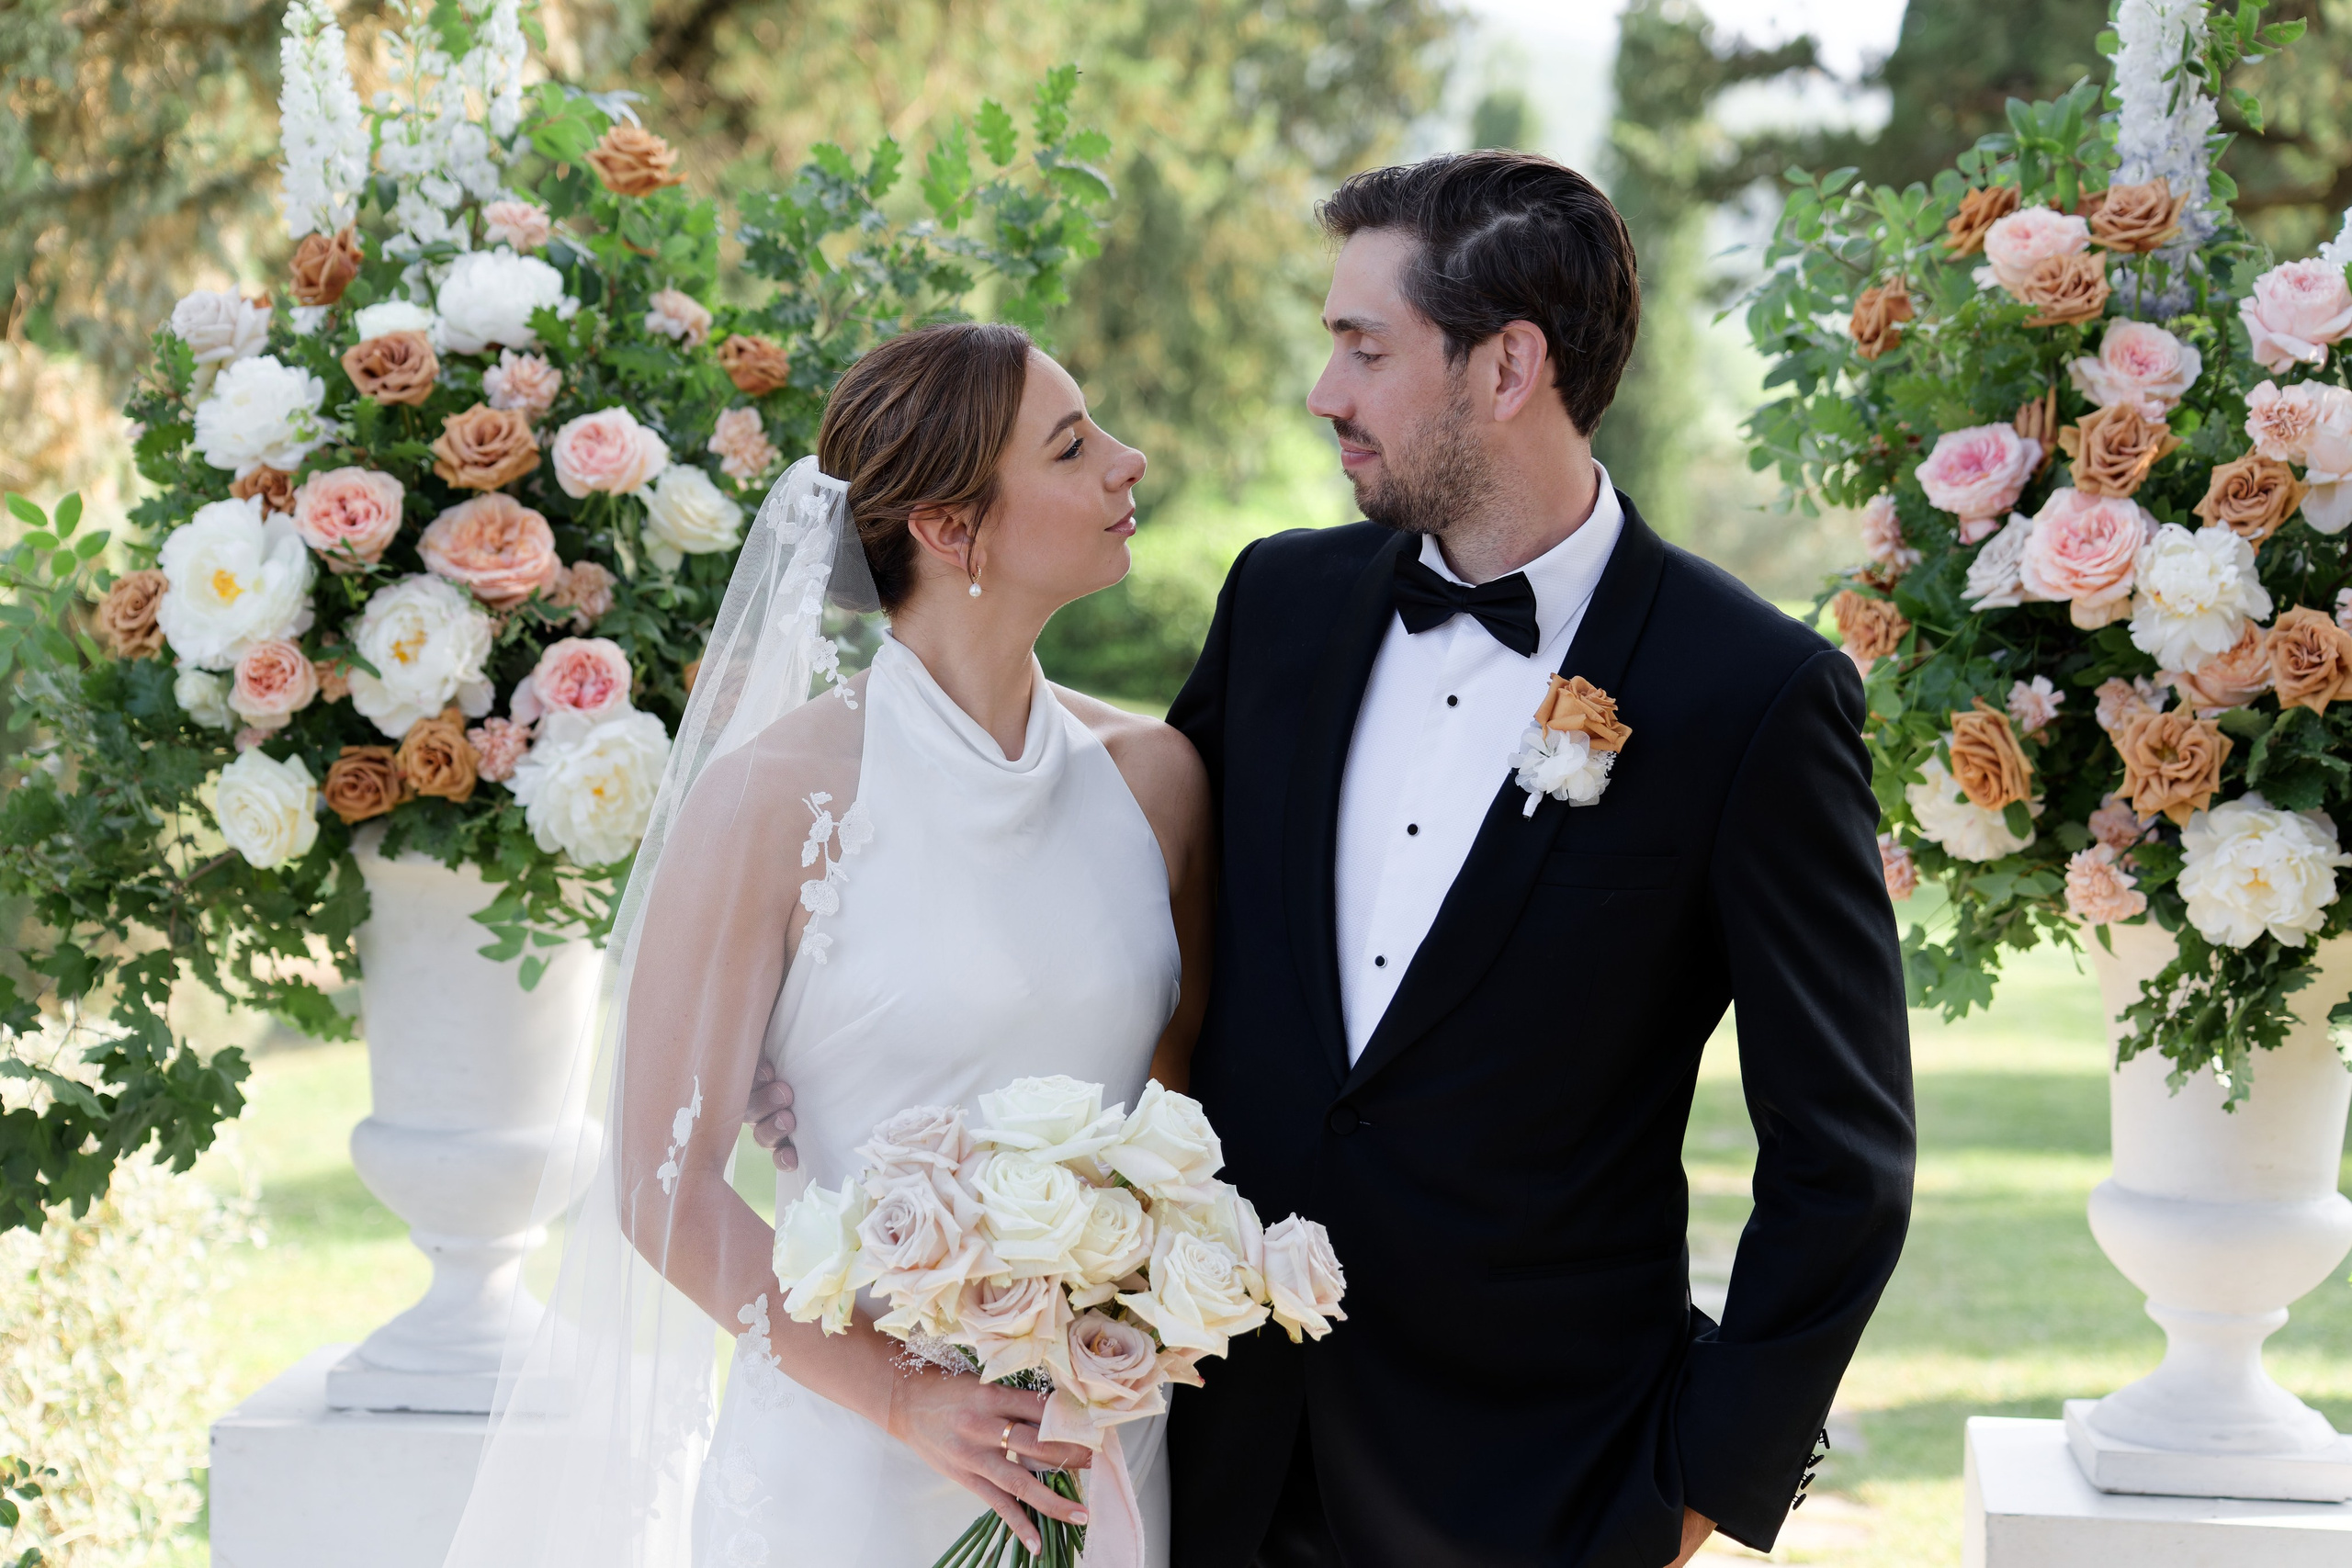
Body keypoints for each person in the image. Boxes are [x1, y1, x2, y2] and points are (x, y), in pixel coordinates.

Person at [1155, 151, 1917, 1567]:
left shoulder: (1748, 694)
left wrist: (1704, 1473)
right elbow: (1151, 927)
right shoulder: (1279, 605)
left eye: (1363, 349)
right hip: (1215, 1450)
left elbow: (1842, 1156)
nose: (1327, 393)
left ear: (1508, 367)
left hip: (1542, 1491)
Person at [443, 321, 1213, 1567]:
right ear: (951, 531)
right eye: (1073, 448)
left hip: (1096, 1437)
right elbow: (660, 1181)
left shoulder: (1157, 783)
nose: (1127, 463)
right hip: (852, 1462)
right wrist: (906, 1395)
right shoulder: (775, 799)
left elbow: (1191, 1102)